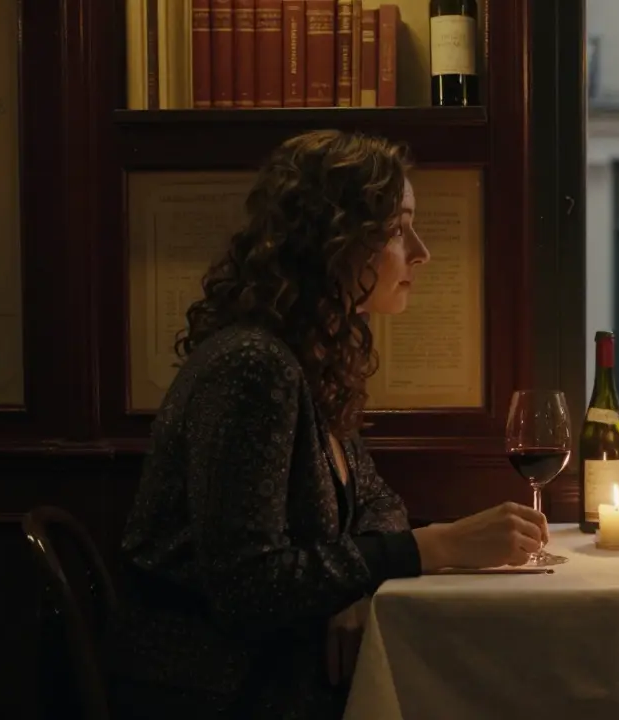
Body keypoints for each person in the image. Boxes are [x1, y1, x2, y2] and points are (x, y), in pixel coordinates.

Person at [103, 130, 549, 720]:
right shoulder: (252, 366)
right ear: (336, 242)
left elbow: (379, 504)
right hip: (216, 688)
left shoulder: (309, 359)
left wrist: (356, 586)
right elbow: (247, 585)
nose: (421, 251)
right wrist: (433, 546)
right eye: (398, 229)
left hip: (275, 669)